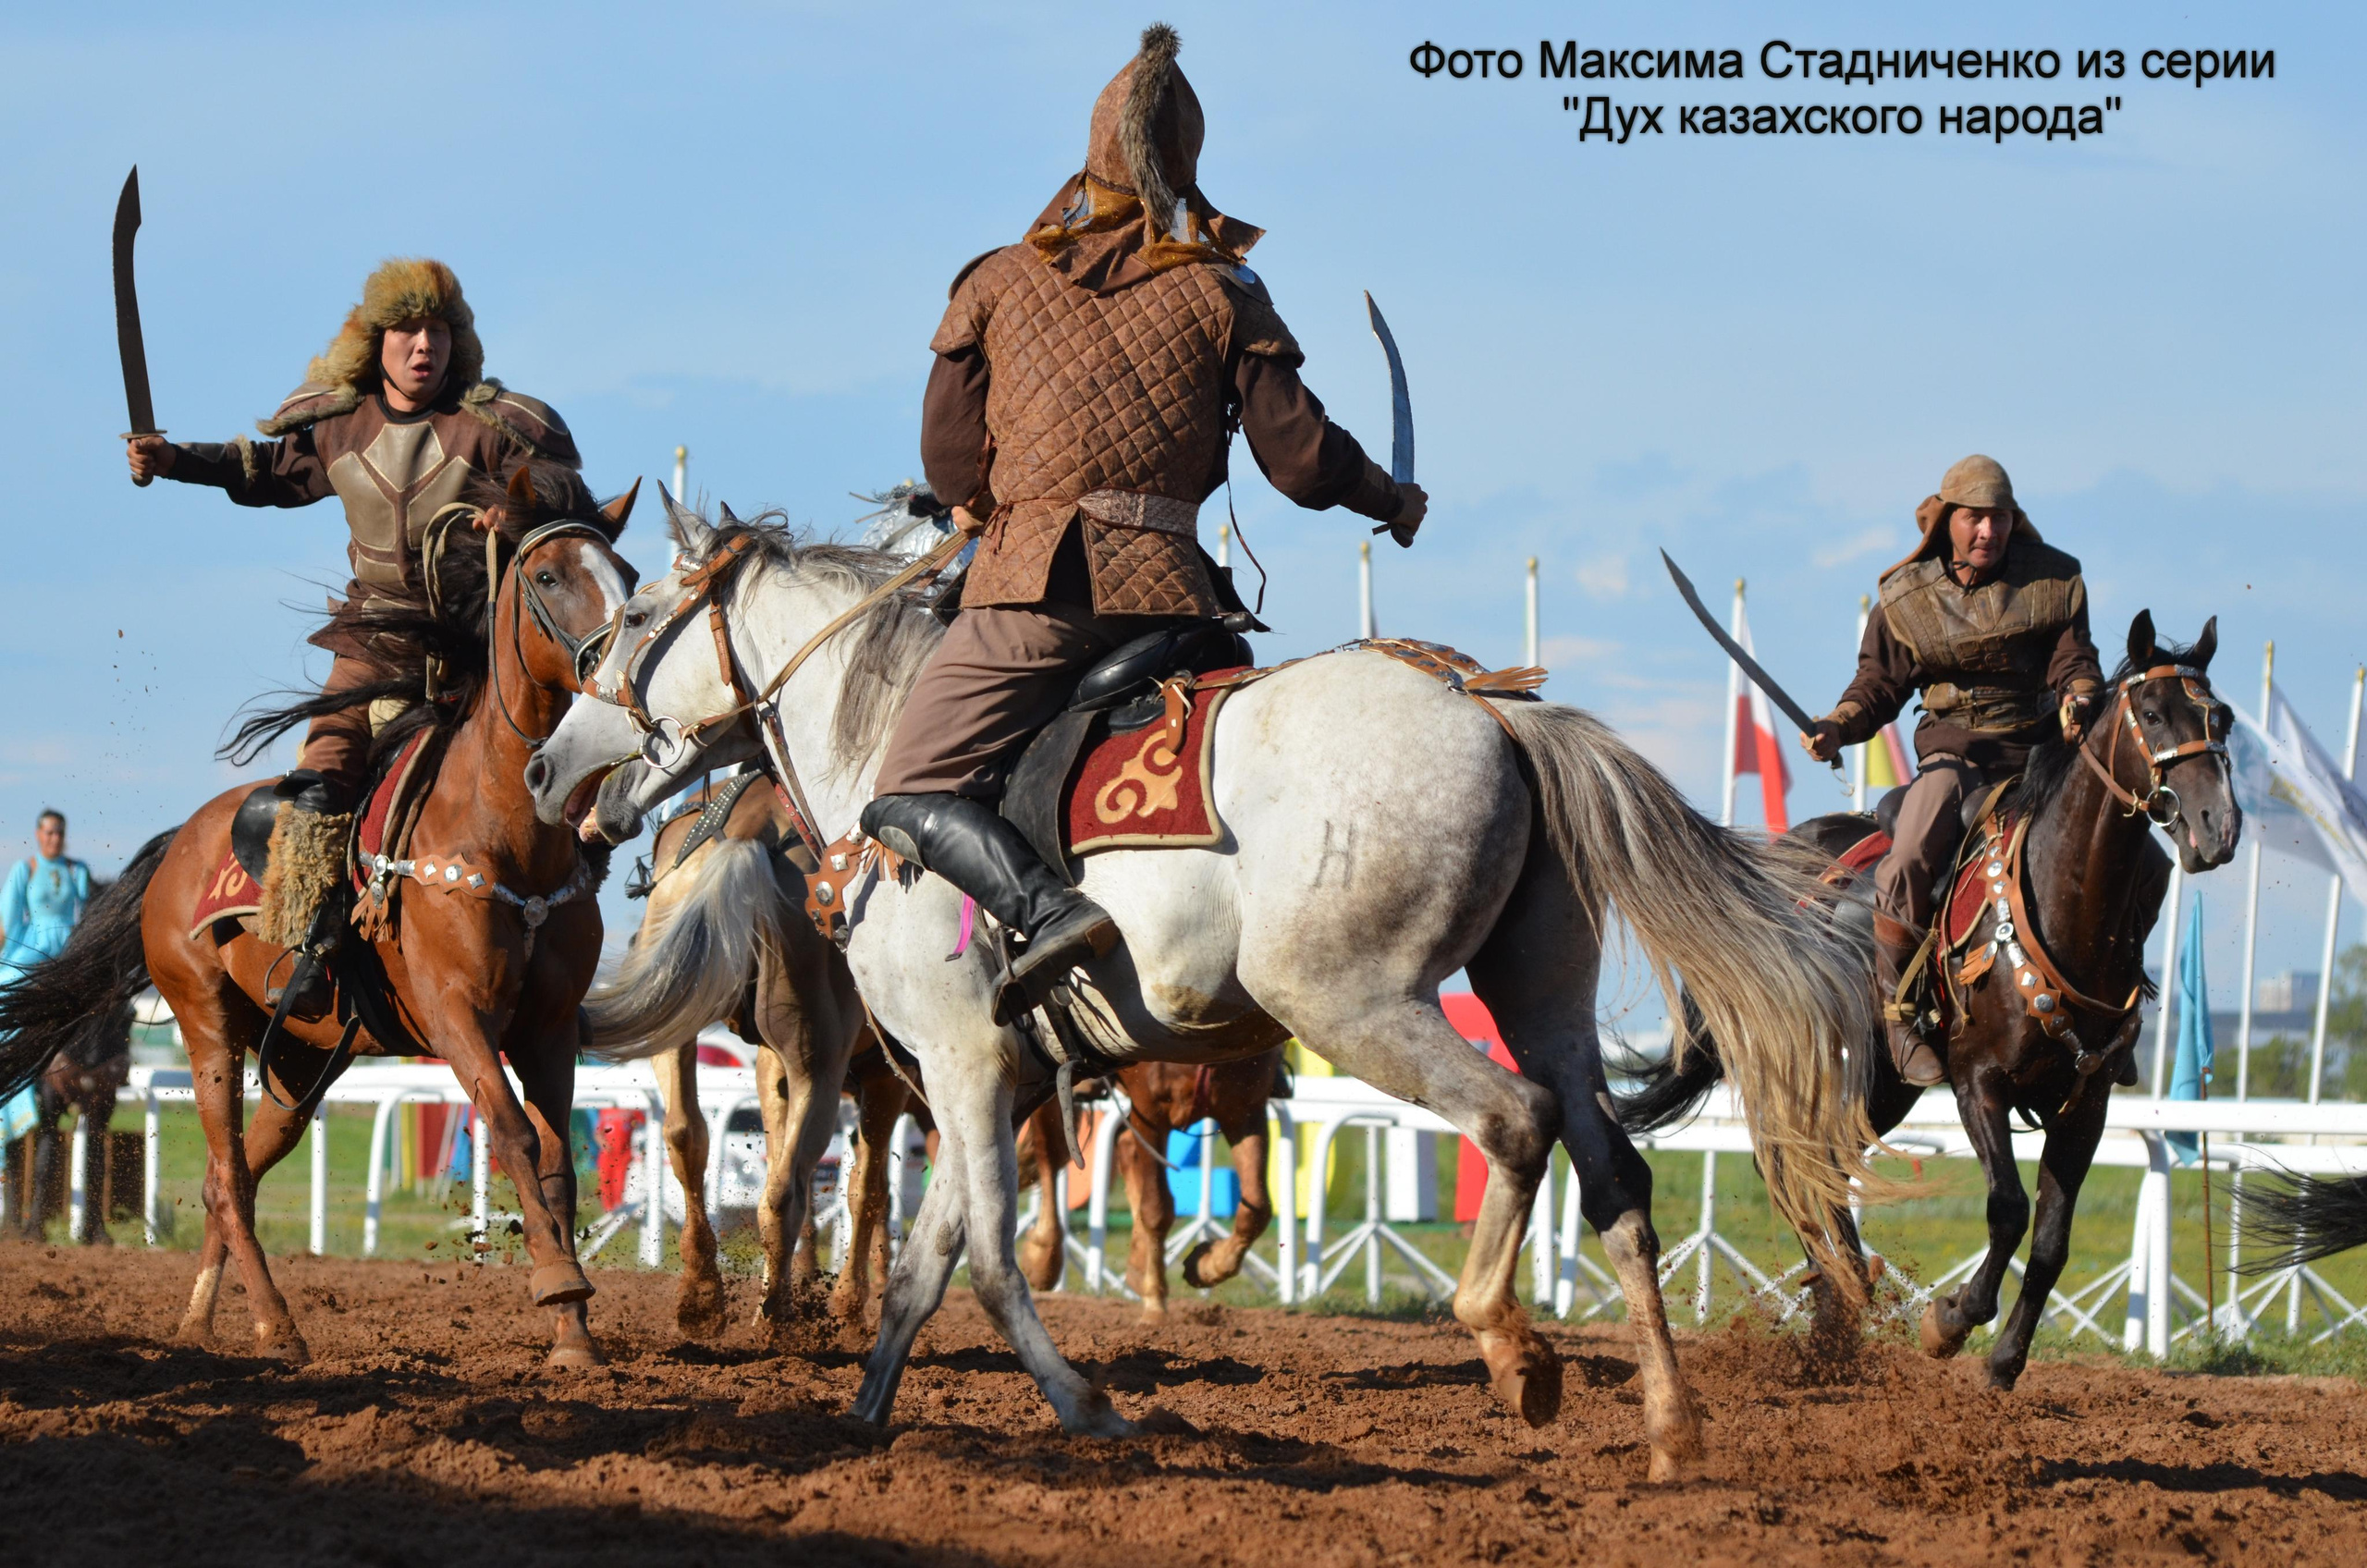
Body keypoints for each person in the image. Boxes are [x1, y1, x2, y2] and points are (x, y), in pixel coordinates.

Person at [860, 24, 1427, 1023]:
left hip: (1037, 597)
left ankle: (1045, 915)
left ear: (1091, 154)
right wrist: (1392, 500)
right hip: (1176, 600)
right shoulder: (1222, 288)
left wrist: (990, 498)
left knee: (903, 790)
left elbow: (947, 463)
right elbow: (1298, 462)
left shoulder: (995, 279)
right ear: (1186, 166)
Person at [126, 260, 578, 1014]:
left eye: (435, 330)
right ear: (378, 343)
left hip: (472, 658)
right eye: (406, 330)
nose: (422, 345)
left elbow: (563, 490)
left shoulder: (494, 427)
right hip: (370, 649)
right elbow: (263, 471)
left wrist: (516, 515)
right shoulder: (339, 423)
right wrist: (171, 461)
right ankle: (310, 946)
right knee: (322, 775)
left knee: (569, 769)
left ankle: (571, 946)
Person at [1799, 455, 2104, 1085]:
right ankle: (1898, 1015)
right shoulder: (1907, 595)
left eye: (1997, 518)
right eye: (1973, 518)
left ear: (2011, 520)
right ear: (1947, 522)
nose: (1986, 531)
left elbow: (2074, 660)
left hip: (2039, 761)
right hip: (1956, 760)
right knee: (1909, 853)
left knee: (2124, 850)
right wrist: (1838, 726)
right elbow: (1878, 685)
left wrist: (2079, 695)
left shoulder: (2055, 580)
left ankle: (2114, 1013)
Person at [0, 812, 92, 1146]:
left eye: (60, 833)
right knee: (5, 987)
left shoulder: (76, 870)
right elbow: (9, 922)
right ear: (39, 834)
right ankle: (12, 1072)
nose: (55, 838)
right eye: (50, 832)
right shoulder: (25, 870)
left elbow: (89, 913)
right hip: (33, 947)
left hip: (68, 950)